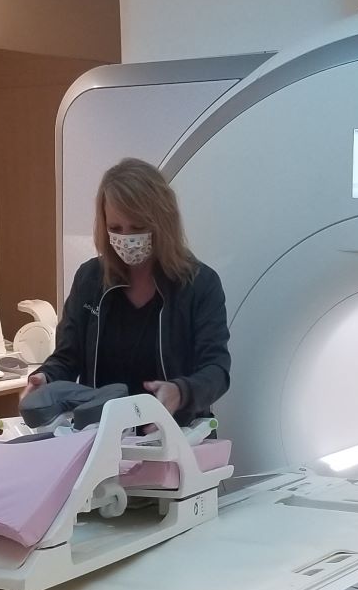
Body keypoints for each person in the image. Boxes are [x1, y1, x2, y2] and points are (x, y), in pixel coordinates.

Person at [29, 157, 231, 422]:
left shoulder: (200, 284)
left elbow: (216, 370)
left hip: (177, 434)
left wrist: (180, 392)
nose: (127, 238)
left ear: (162, 222)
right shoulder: (90, 280)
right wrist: (46, 378)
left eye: (137, 227)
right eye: (115, 228)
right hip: (103, 433)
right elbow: (67, 358)